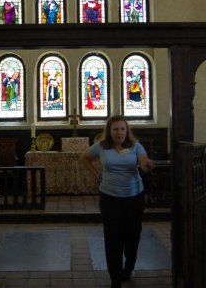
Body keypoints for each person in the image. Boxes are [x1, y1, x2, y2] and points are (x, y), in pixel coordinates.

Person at [81, 115, 155, 288]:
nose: (119, 132)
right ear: (109, 131)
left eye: (122, 129)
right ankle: (115, 279)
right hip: (110, 198)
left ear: (127, 130)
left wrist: (147, 165)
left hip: (134, 198)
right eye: (115, 129)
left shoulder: (135, 146)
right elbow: (84, 158)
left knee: (132, 237)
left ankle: (127, 270)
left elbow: (143, 162)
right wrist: (97, 175)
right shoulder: (102, 146)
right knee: (113, 239)